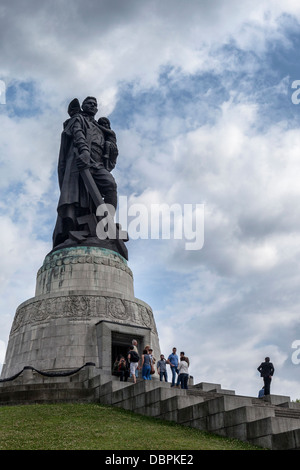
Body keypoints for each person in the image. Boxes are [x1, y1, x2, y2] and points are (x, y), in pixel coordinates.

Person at [53, 96, 119, 249]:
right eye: (89, 103)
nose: (92, 105)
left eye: (95, 104)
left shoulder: (100, 127)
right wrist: (84, 151)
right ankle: (79, 229)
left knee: (110, 186)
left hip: (98, 164)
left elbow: (109, 151)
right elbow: (77, 134)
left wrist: (111, 141)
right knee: (78, 198)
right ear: (83, 106)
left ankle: (104, 223)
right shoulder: (78, 118)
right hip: (81, 161)